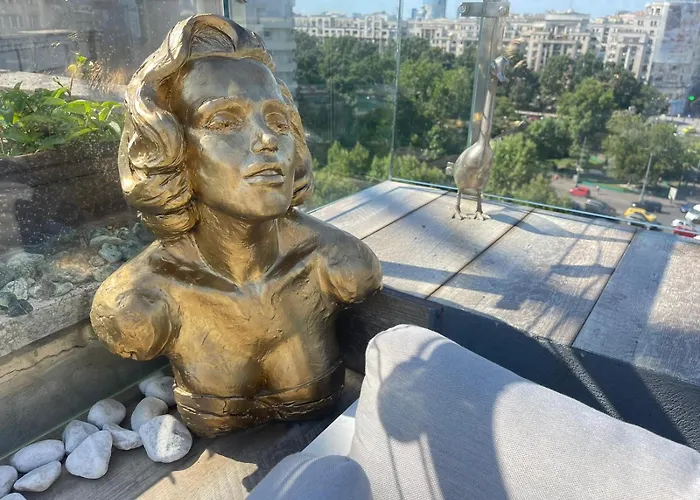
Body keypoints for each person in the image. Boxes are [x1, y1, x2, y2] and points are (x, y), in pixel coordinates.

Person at [90, 15, 382, 437]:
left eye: (278, 121)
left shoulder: (342, 264)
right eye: (224, 122)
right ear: (171, 147)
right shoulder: (139, 303)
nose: (267, 139)